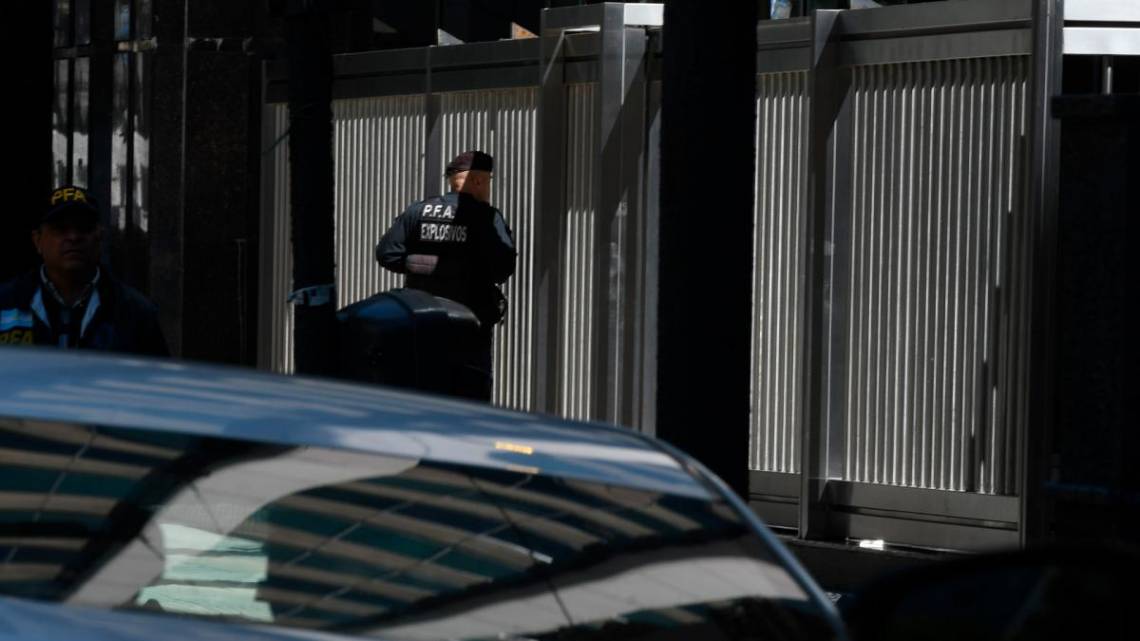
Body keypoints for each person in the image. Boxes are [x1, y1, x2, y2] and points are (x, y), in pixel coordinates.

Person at [375, 151, 516, 401]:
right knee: (469, 395)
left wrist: (423, 265)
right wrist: (463, 269)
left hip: (421, 320)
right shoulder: (487, 217)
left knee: (422, 389)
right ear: (477, 181)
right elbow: (503, 268)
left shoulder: (418, 211)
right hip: (469, 323)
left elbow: (387, 254)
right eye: (488, 180)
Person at [0, 185, 169, 356]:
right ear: (38, 241)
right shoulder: (6, 303)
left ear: (99, 237)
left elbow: (157, 379)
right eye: (60, 229)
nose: (73, 237)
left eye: (83, 228)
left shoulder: (137, 313)